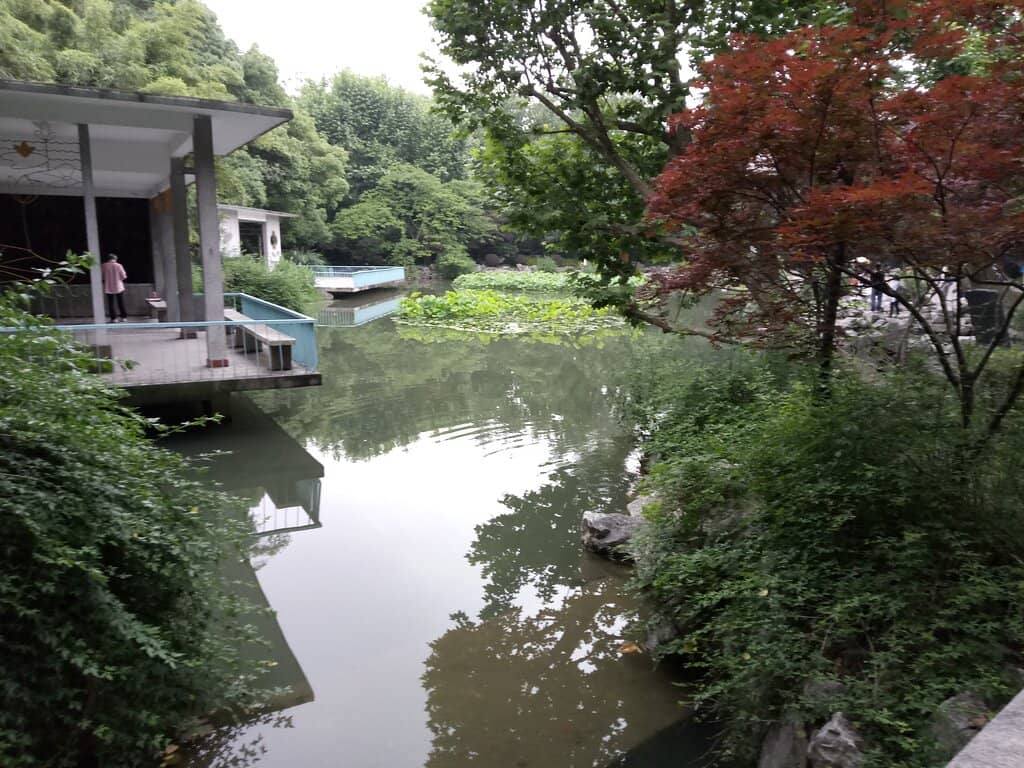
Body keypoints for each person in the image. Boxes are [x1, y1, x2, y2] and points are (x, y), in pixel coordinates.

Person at [101, 253, 128, 322]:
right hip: (119, 287)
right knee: (121, 302)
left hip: (108, 286)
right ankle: (123, 317)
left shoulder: (104, 265)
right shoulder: (119, 265)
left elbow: (102, 276)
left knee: (111, 303)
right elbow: (124, 276)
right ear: (115, 258)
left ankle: (113, 318)